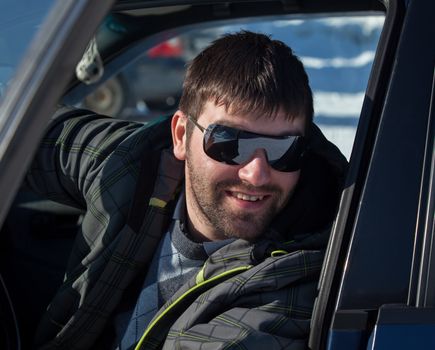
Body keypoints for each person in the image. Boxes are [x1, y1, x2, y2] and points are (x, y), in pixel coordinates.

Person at [27, 31, 347, 349]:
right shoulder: (133, 165)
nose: (257, 174)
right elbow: (22, 131)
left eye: (286, 150)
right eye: (230, 143)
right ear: (181, 135)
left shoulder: (294, 276)